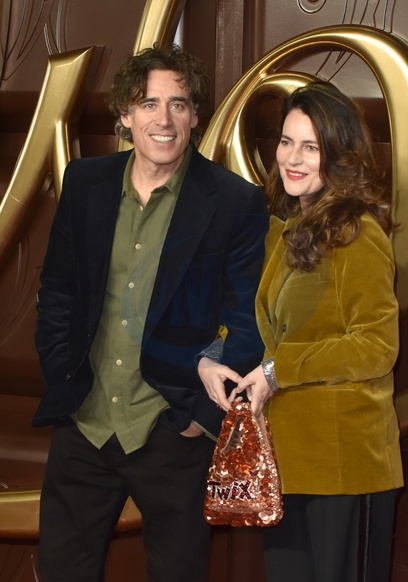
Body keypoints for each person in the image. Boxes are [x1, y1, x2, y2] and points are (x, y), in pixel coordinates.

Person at [33, 44, 268, 582]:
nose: (163, 119)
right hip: (85, 426)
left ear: (195, 115)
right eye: (148, 103)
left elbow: (247, 323)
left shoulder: (234, 202)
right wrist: (62, 378)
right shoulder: (85, 183)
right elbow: (58, 293)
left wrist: (198, 421)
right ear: (125, 114)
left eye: (178, 104)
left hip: (172, 432)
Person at [201, 81, 403, 582]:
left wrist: (278, 370)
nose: (292, 158)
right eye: (287, 142)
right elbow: (262, 325)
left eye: (310, 147)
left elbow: (377, 346)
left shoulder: (359, 233)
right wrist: (211, 356)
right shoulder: (286, 230)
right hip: (289, 462)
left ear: (339, 154)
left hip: (347, 464)